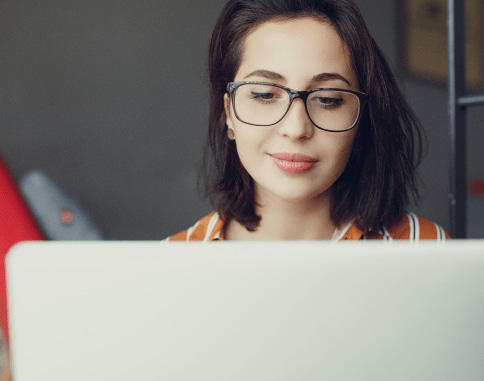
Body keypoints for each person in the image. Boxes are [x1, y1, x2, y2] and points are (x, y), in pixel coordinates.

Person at [167, 0, 448, 242]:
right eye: (265, 94)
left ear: (361, 117)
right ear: (228, 113)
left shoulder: (425, 248)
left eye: (328, 99)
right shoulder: (168, 266)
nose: (296, 128)